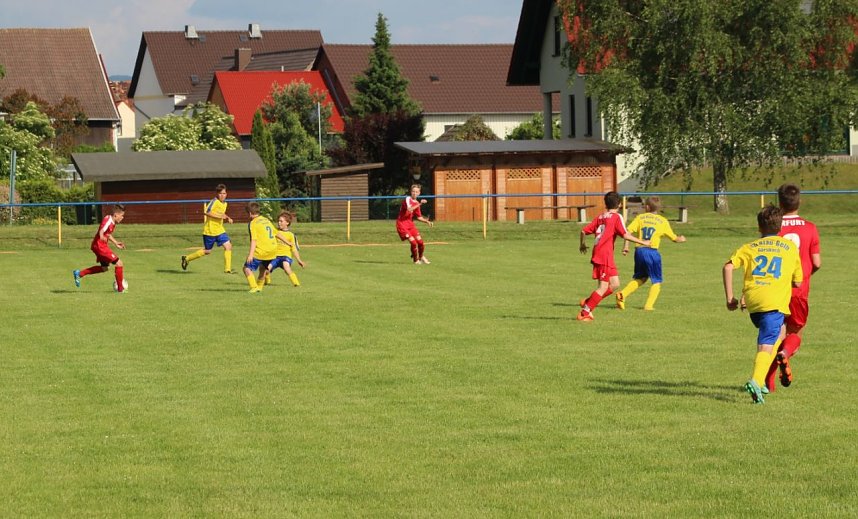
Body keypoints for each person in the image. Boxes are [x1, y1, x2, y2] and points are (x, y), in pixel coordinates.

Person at [722, 205, 802, 404]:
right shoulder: (790, 248)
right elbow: (798, 281)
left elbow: (728, 266)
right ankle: (757, 381)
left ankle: (767, 376)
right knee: (766, 346)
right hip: (773, 303)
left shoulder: (749, 247)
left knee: (780, 334)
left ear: (759, 227)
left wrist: (730, 297)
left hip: (753, 303)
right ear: (781, 227)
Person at [763, 183, 821, 392]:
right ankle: (785, 354)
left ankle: (768, 382)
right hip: (799, 290)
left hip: (774, 289)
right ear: (799, 201)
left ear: (779, 201)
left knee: (774, 334)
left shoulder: (773, 226)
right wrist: (804, 277)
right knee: (795, 332)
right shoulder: (810, 227)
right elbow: (817, 262)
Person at [577, 191, 650, 321]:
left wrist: (582, 245)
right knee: (603, 287)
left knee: (615, 284)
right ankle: (585, 312)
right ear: (620, 204)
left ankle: (588, 302)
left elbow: (583, 231)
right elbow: (625, 234)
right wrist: (643, 242)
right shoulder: (617, 217)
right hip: (604, 255)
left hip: (603, 254)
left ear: (606, 204)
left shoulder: (600, 217)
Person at [616, 196, 686, 311]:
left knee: (641, 277)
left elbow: (627, 232)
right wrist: (681, 238)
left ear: (647, 207)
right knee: (657, 280)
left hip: (639, 251)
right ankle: (648, 306)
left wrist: (626, 246)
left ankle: (622, 294)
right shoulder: (663, 221)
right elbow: (674, 238)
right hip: (652, 252)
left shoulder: (640, 218)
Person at [73, 204, 127, 293]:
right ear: (116, 215)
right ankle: (120, 289)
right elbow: (102, 230)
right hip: (100, 246)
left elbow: (108, 234)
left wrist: (116, 242)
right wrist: (101, 235)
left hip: (99, 246)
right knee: (119, 263)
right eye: (122, 216)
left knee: (104, 268)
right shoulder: (108, 220)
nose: (122, 218)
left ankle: (79, 273)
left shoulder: (112, 222)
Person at [181, 184, 234, 273]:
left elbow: (221, 214)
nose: (222, 195)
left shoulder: (225, 204)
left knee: (228, 246)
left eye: (224, 193)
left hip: (220, 230)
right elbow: (206, 212)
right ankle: (187, 258)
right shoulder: (214, 201)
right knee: (207, 251)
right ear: (217, 194)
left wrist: (228, 218)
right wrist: (219, 216)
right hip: (210, 231)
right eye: (220, 193)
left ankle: (227, 269)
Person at [243, 202, 278, 293]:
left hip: (261, 251)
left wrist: (250, 255)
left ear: (250, 213)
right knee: (262, 268)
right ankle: (259, 287)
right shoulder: (266, 220)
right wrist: (288, 242)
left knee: (246, 268)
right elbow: (276, 233)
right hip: (272, 251)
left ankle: (254, 286)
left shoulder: (253, 223)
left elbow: (253, 240)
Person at [265, 211, 305, 287]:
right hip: (275, 256)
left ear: (287, 223)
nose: (279, 223)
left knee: (287, 267)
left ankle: (296, 283)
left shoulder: (291, 235)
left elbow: (294, 249)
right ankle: (267, 281)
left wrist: (299, 260)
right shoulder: (275, 232)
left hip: (285, 256)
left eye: (281, 221)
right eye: (278, 221)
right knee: (267, 270)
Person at [396, 184, 433, 264]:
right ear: (411, 192)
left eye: (416, 192)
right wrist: (420, 204)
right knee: (413, 242)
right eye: (413, 191)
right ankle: (416, 261)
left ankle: (421, 257)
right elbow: (409, 209)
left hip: (410, 224)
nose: (414, 193)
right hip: (402, 224)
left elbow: (419, 217)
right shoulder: (407, 199)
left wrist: (427, 221)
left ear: (419, 193)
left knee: (420, 242)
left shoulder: (416, 203)